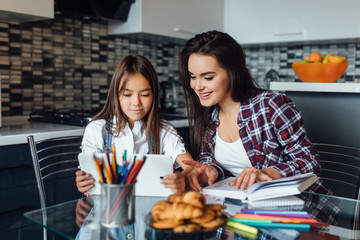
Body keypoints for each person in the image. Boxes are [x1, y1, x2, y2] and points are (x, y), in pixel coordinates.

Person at [179, 30, 331, 195]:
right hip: (243, 207)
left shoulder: (271, 106)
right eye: (192, 76)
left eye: (208, 77)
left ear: (232, 72)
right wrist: (210, 170)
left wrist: (269, 173)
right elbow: (215, 162)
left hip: (295, 205)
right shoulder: (209, 114)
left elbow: (309, 161)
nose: (197, 86)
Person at [76, 55, 194, 195]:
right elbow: (88, 179)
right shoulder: (96, 130)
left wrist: (182, 179)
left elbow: (191, 167)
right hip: (107, 211)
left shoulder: (164, 131)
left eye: (144, 95)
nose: (136, 102)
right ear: (116, 95)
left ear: (154, 95)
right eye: (127, 94)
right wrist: (83, 183)